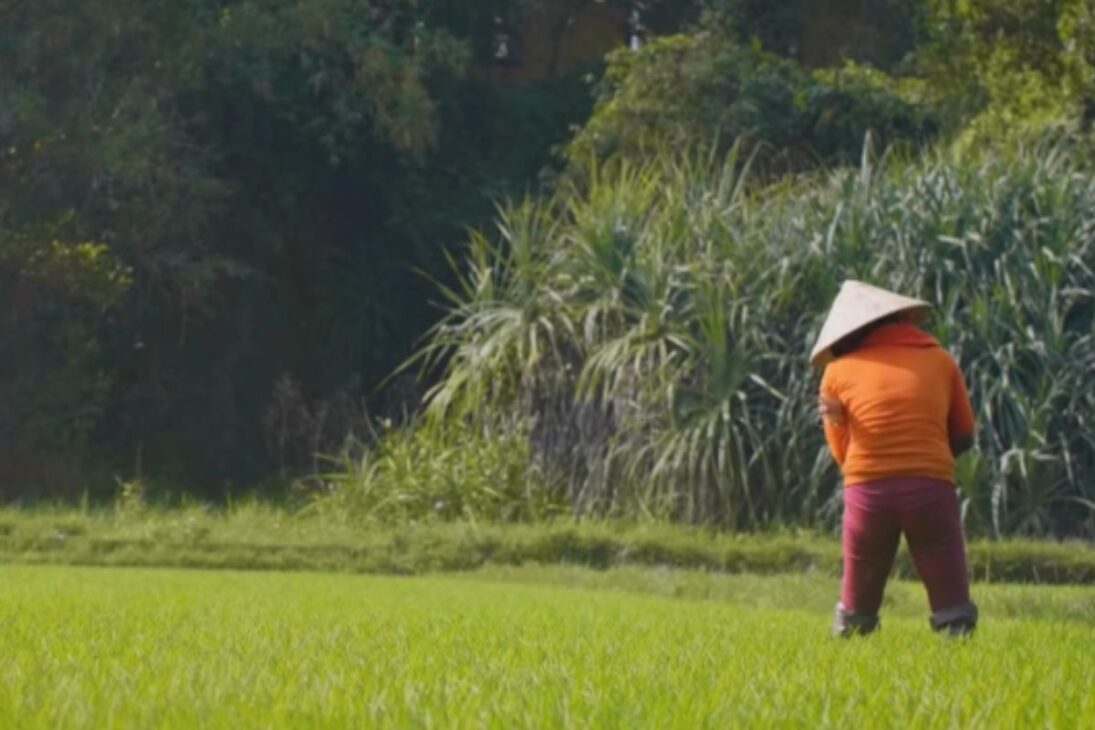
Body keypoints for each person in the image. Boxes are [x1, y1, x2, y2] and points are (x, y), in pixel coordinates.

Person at [811, 280, 978, 637]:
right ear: (903, 320)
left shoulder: (836, 373)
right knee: (947, 575)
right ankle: (956, 631)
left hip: (867, 492)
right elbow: (964, 433)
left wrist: (873, 472)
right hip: (932, 488)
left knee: (860, 585)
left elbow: (840, 450)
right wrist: (927, 463)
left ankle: (852, 630)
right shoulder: (941, 360)